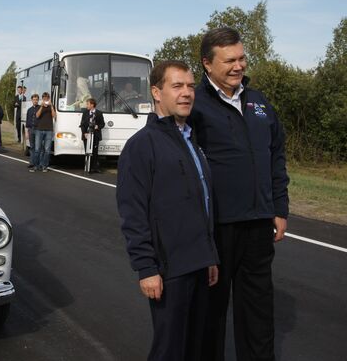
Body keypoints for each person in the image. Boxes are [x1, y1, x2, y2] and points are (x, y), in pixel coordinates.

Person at [189, 27, 289, 361]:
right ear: (207, 63)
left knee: (259, 313)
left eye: (242, 58)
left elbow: (276, 155)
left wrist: (279, 208)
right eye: (229, 60)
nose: (238, 65)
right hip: (217, 227)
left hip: (259, 224)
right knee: (210, 314)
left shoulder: (258, 102)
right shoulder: (195, 104)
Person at [117, 60, 219, 361]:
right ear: (156, 92)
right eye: (177, 86)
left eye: (190, 86)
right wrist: (147, 269)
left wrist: (210, 255)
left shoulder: (192, 141)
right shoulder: (141, 145)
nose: (187, 93)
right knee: (170, 349)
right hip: (169, 268)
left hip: (200, 263)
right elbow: (132, 213)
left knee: (195, 347)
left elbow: (203, 203)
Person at [31, 92, 56, 172]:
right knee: (37, 149)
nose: (46, 99)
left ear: (49, 98)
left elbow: (54, 116)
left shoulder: (51, 106)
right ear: (42, 98)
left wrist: (51, 106)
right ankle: (36, 166)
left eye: (47, 98)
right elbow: (37, 115)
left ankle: (44, 166)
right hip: (39, 129)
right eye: (44, 98)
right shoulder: (39, 106)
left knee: (47, 150)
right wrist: (42, 106)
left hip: (49, 130)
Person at [79, 98, 105, 173]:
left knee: (95, 151)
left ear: (92, 105)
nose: (86, 105)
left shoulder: (99, 113)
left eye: (88, 104)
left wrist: (98, 126)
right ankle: (88, 167)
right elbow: (82, 124)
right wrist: (84, 133)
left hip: (95, 135)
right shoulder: (85, 113)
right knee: (87, 152)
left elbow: (102, 124)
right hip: (87, 135)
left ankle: (95, 167)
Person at [26, 93, 40, 169]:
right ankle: (31, 162)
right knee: (32, 147)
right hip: (31, 130)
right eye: (34, 99)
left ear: (38, 100)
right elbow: (27, 122)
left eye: (36, 100)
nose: (35, 101)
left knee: (38, 147)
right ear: (31, 100)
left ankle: (37, 163)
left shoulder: (40, 108)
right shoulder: (29, 110)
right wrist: (27, 132)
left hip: (38, 130)